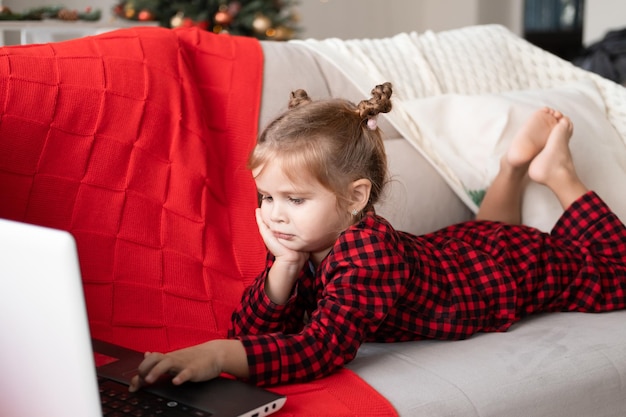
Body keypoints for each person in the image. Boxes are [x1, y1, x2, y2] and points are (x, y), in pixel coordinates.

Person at [129, 82, 626, 390]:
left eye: (294, 199)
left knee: (615, 271)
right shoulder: (305, 236)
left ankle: (561, 175)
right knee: (487, 231)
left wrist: (218, 354)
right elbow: (252, 332)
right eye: (266, 197)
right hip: (458, 250)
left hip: (501, 275)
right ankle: (513, 167)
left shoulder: (368, 255)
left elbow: (321, 348)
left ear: (354, 197)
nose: (275, 215)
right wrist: (283, 266)